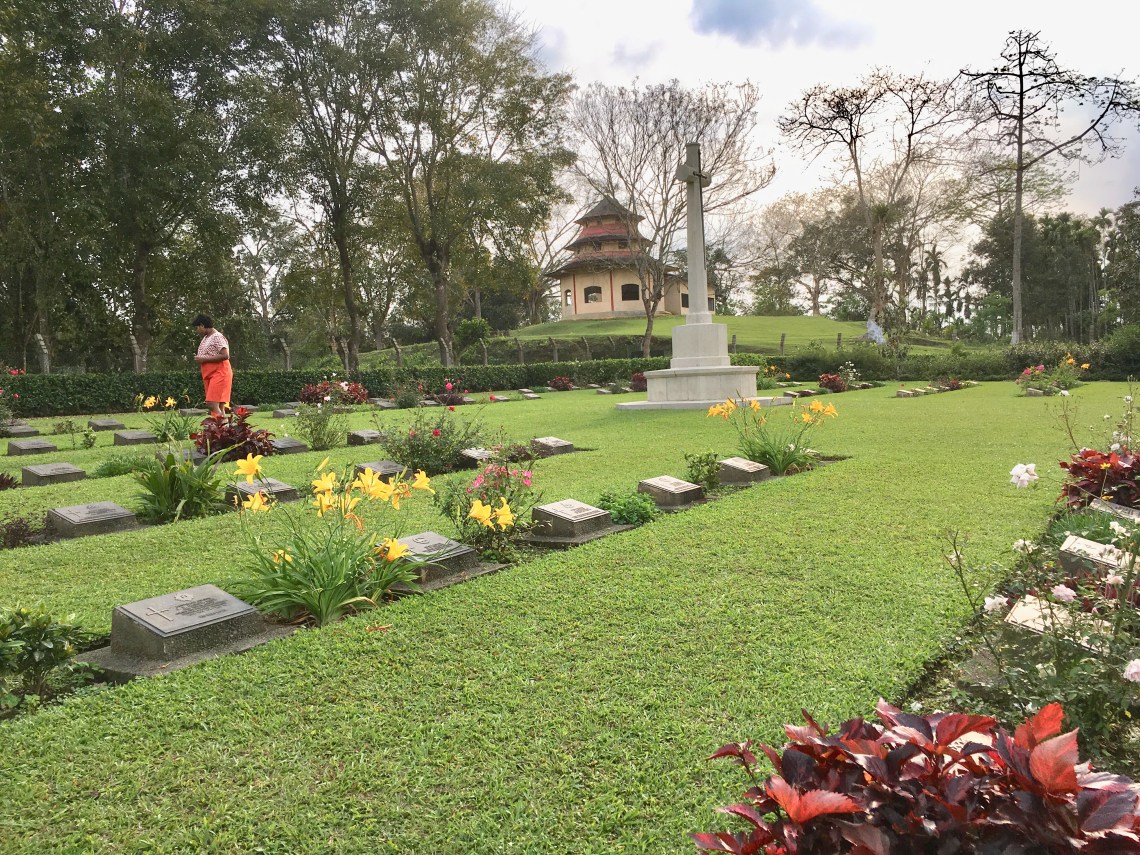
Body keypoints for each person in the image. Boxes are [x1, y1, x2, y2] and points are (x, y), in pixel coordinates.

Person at [192, 314, 232, 415]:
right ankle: (222, 429)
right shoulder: (206, 338)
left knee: (212, 404)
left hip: (219, 372)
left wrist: (203, 358)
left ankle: (223, 426)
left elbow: (225, 355)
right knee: (220, 406)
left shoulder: (217, 337)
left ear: (202, 325)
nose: (197, 331)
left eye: (197, 328)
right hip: (209, 373)